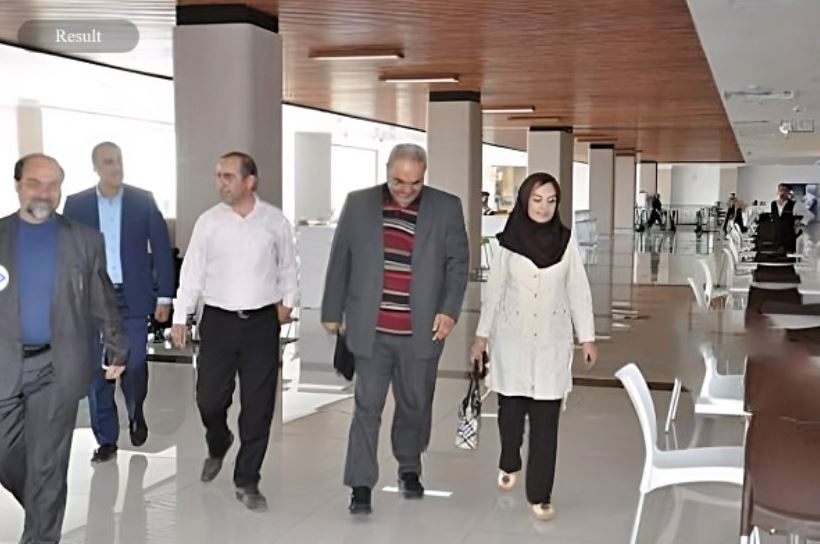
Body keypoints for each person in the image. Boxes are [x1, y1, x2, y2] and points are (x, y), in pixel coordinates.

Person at [321, 143, 469, 515]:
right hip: (371, 330)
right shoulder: (359, 203)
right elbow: (341, 258)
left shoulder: (446, 207)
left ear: (424, 175)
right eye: (398, 181)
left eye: (414, 183)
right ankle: (360, 485)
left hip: (421, 331)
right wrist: (332, 310)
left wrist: (449, 311)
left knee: (415, 407)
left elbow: (458, 264)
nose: (405, 189)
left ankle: (409, 465)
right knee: (366, 408)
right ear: (387, 169)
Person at [0, 153, 127, 542]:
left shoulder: (83, 239)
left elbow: (101, 298)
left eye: (53, 184)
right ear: (18, 185)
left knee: (48, 464)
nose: (44, 192)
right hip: (3, 362)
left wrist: (117, 345)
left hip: (57, 364)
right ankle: (44, 503)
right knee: (9, 457)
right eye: (34, 183)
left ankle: (41, 533)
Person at [171, 151, 297, 512]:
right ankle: (218, 439)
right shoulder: (209, 222)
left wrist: (289, 301)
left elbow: (288, 266)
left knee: (258, 406)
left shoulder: (274, 221)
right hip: (218, 322)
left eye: (227, 176)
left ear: (249, 180)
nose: (220, 183)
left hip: (261, 324)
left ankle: (247, 479)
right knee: (209, 399)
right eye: (218, 176)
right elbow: (192, 272)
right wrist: (181, 316)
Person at [469, 172, 597, 522]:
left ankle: (540, 495)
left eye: (551, 201)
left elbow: (578, 291)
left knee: (546, 424)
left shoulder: (566, 242)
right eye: (537, 200)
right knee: (511, 416)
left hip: (552, 343)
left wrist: (587, 337)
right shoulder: (508, 243)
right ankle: (510, 459)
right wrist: (481, 337)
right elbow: (494, 292)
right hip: (511, 341)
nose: (544, 207)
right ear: (525, 201)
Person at [63, 141, 175, 464]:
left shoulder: (143, 200)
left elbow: (161, 248)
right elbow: (67, 254)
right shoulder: (77, 204)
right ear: (95, 167)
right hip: (92, 299)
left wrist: (164, 295)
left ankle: (136, 410)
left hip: (133, 296)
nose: (116, 167)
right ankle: (106, 439)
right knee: (96, 373)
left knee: (135, 362)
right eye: (108, 162)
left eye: (119, 160)